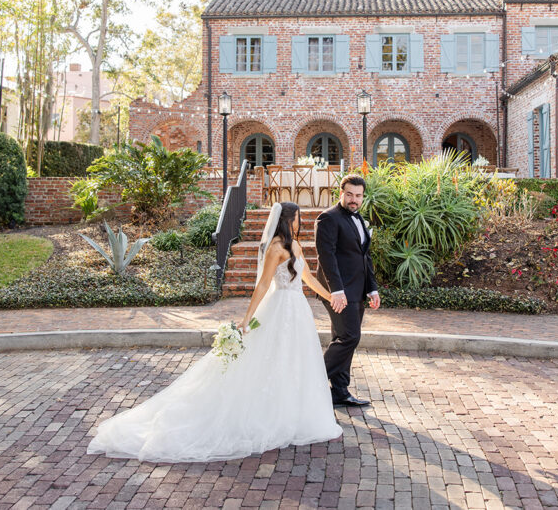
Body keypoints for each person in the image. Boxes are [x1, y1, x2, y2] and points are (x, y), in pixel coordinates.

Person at [87, 201, 342, 463]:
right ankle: (269, 413)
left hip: (298, 311)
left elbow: (309, 278)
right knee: (271, 360)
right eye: (298, 218)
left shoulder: (296, 245)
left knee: (295, 362)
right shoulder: (275, 248)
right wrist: (247, 318)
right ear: (288, 220)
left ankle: (293, 412)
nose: (300, 222)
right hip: (279, 309)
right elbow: (264, 283)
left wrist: (331, 297)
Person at [314, 174, 381, 407]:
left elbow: (365, 256)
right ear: (341, 193)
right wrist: (336, 290)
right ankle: (312, 383)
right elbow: (326, 257)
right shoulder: (328, 218)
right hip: (338, 291)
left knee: (342, 338)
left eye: (358, 196)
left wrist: (372, 288)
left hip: (357, 289)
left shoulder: (359, 219)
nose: (354, 199)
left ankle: (340, 391)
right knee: (349, 337)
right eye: (349, 194)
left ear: (363, 196)